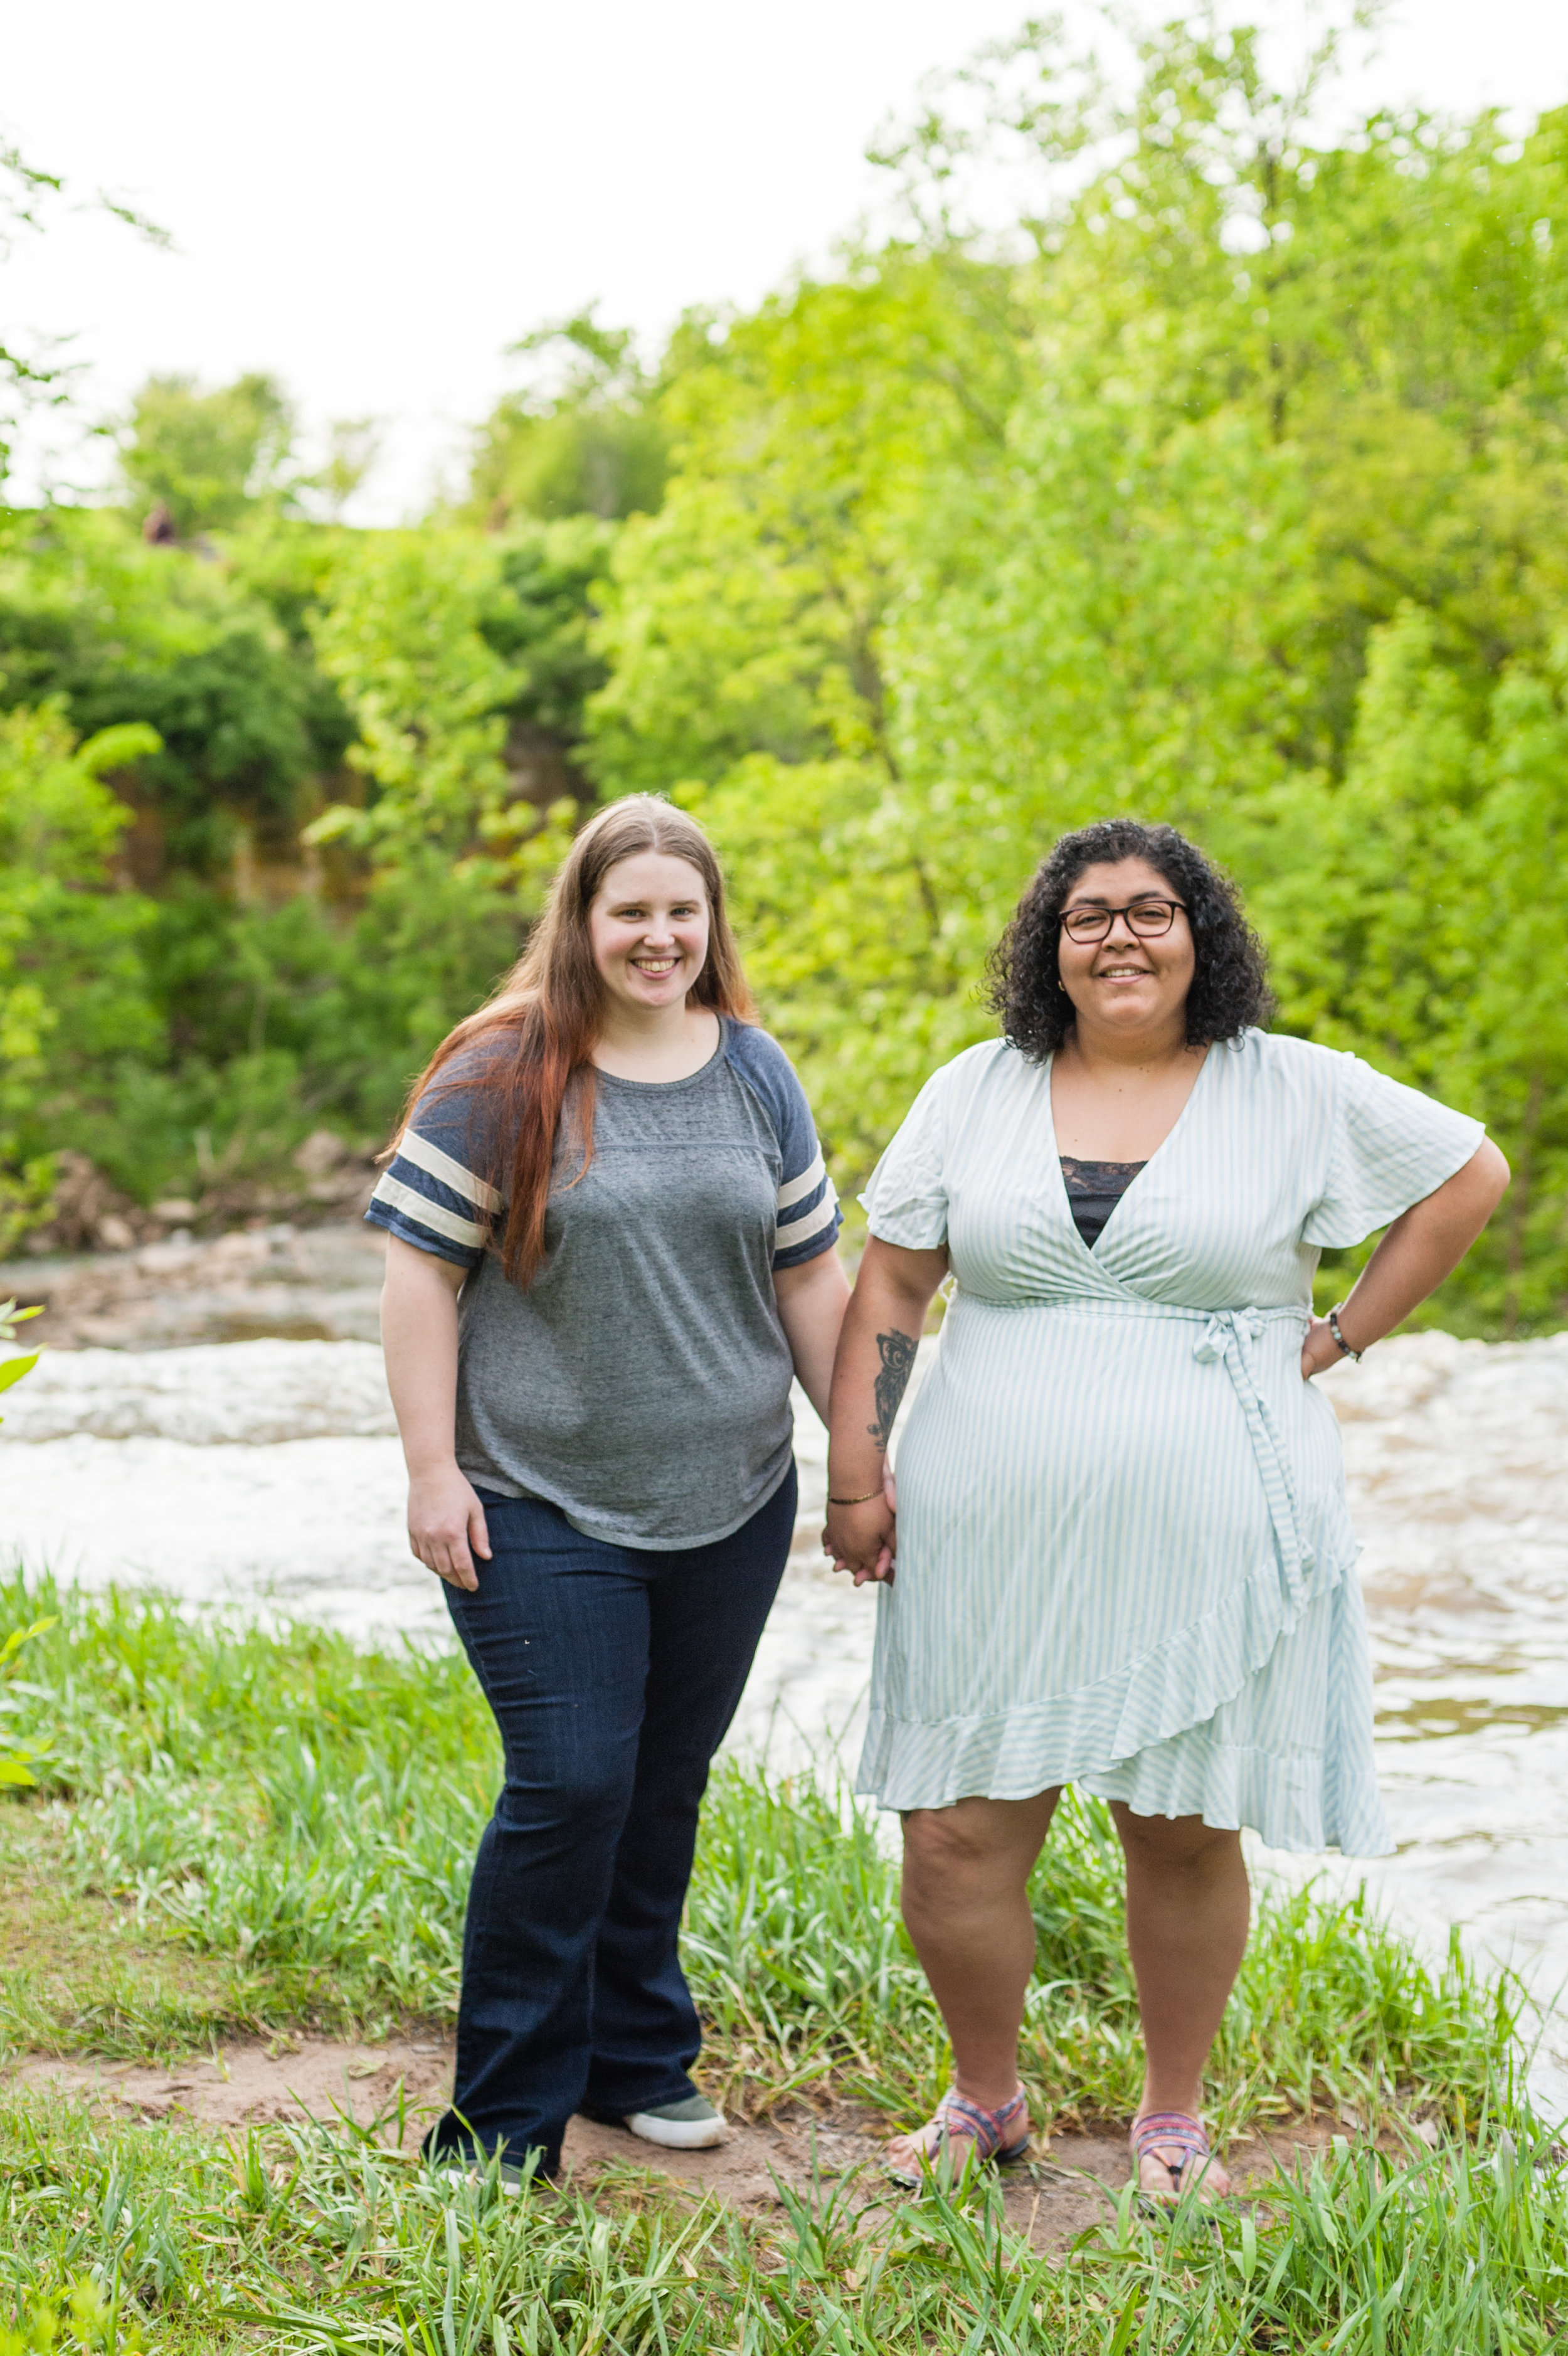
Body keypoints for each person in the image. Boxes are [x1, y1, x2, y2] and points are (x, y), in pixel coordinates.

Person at [824, 818, 1508, 2202]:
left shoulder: (1287, 1088)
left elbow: (1467, 1177)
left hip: (1212, 1513)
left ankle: (1171, 2121)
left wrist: (1339, 1334)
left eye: (1149, 910)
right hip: (985, 1521)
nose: (1118, 936)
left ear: (1199, 934)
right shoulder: (974, 1089)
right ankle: (982, 2102)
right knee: (953, 1827)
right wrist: (854, 1475)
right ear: (1048, 948)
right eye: (1086, 917)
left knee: (1180, 1822)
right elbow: (892, 1286)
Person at [371, 795, 848, 2186]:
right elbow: (418, 1278)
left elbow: (809, 1276)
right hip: (533, 1499)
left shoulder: (752, 1072)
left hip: (733, 1496)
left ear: (710, 926)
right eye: (629, 911)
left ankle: (634, 2057)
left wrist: (866, 1465)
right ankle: (499, 2126)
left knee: (658, 1787)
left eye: (680, 912)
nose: (658, 936)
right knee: (571, 1782)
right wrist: (427, 1469)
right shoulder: (499, 1072)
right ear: (582, 922)